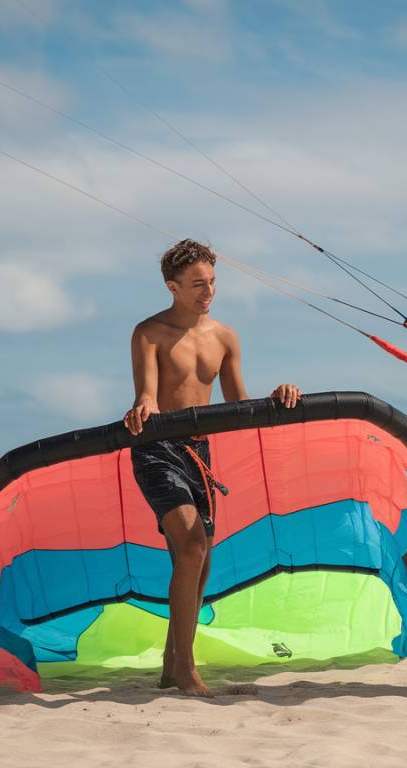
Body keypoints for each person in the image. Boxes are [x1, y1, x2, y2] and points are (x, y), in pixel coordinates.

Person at [124, 239, 301, 697]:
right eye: (198, 284)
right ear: (173, 286)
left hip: (199, 457)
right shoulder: (150, 332)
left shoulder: (225, 337)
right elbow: (146, 392)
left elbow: (239, 406)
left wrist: (279, 392)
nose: (208, 292)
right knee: (190, 546)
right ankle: (186, 671)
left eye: (213, 283)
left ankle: (170, 666)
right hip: (156, 448)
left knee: (198, 563)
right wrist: (144, 404)